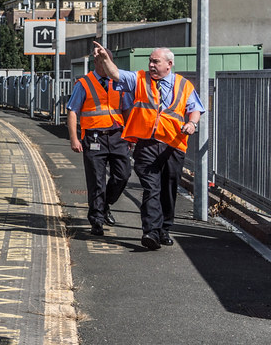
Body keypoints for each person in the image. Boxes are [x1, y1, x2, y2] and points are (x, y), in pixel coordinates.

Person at [92, 43, 205, 250]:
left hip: (173, 145)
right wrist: (105, 59)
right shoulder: (139, 79)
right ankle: (151, 232)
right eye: (150, 61)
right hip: (147, 145)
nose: (151, 65)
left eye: (156, 61)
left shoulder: (184, 85)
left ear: (169, 64)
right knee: (151, 188)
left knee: (169, 189)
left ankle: (164, 229)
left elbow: (195, 108)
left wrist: (192, 123)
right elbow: (116, 74)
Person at [66, 55, 131, 236]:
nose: (107, 66)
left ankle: (104, 205)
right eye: (103, 62)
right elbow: (72, 111)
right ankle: (96, 220)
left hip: (118, 136)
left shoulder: (118, 83)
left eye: (109, 62)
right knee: (96, 180)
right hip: (94, 138)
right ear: (96, 63)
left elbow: (125, 109)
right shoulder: (84, 84)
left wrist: (130, 135)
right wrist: (74, 138)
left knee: (123, 175)